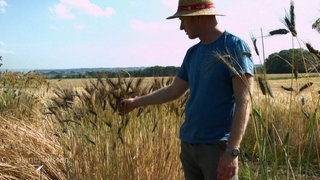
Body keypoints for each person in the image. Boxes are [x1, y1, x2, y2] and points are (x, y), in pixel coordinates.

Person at [119, 0, 254, 179]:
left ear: (198, 18)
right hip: (189, 144)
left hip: (217, 147)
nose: (181, 27)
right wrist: (136, 102)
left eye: (183, 20)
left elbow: (244, 101)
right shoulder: (193, 53)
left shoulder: (234, 46)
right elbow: (174, 90)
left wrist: (232, 151)